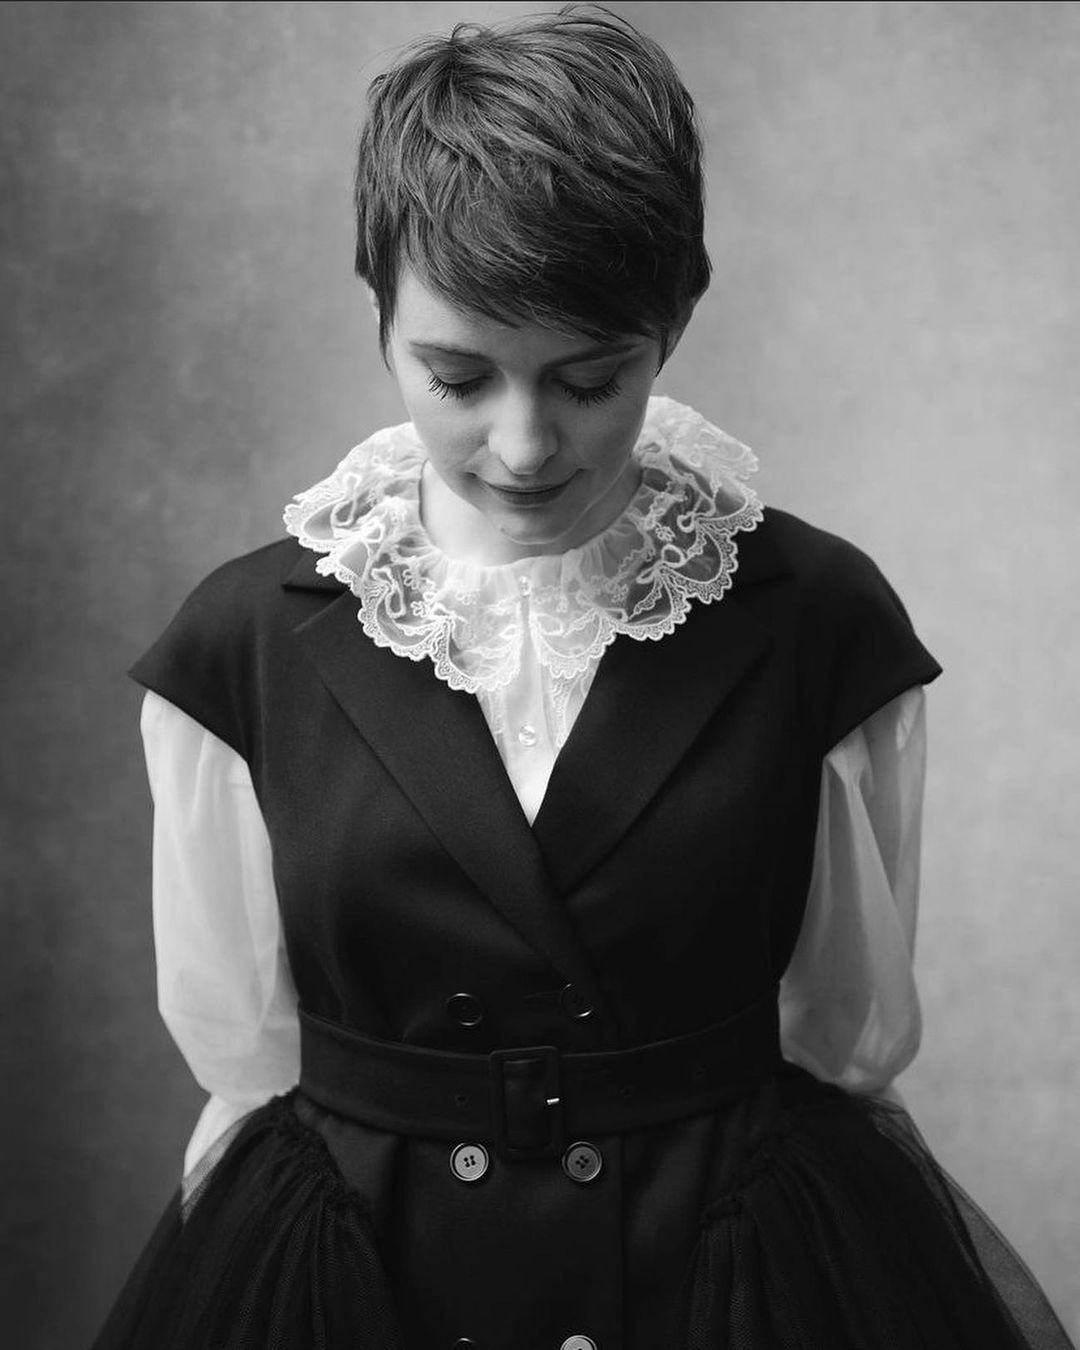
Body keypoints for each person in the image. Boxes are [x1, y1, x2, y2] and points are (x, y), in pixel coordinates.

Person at [93, 7, 1074, 1349]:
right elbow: (245, 1060)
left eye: (590, 379)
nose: (523, 444)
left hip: (724, 1282)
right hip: (361, 1279)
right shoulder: (240, 644)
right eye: (457, 377)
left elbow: (845, 1037)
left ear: (673, 322)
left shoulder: (821, 622)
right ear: (378, 311)